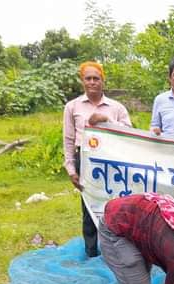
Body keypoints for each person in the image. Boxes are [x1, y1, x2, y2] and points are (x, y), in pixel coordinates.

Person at [63, 61, 132, 258]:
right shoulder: (72, 107)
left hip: (112, 160)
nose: (92, 82)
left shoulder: (116, 107)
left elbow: (129, 131)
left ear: (103, 81)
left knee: (116, 203)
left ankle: (118, 250)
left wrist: (106, 120)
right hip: (86, 160)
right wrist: (71, 169)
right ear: (82, 81)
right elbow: (68, 139)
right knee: (89, 205)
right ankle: (92, 252)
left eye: (96, 78)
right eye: (88, 78)